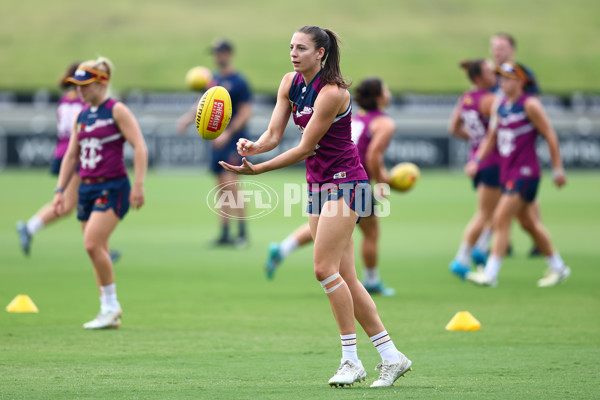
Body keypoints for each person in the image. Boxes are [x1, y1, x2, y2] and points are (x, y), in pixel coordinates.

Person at [220, 25, 412, 388]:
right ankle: (391, 356)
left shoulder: (333, 92)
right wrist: (253, 147)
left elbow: (305, 147)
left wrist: (258, 170)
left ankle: (351, 360)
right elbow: (275, 135)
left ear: (320, 53)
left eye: (302, 48)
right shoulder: (290, 83)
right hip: (317, 187)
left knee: (323, 269)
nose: (293, 53)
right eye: (291, 46)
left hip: (347, 183)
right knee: (347, 279)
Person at [266, 77, 397, 296]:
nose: (389, 93)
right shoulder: (383, 123)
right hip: (353, 178)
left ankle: (283, 248)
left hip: (326, 175)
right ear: (378, 96)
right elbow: (373, 154)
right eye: (386, 88)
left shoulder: (355, 116)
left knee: (329, 226)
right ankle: (372, 280)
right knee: (371, 232)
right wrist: (384, 182)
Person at [53, 57, 148, 328]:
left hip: (113, 185)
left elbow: (139, 146)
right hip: (87, 187)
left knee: (92, 244)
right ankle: (107, 310)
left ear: (102, 82)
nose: (79, 90)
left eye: (85, 84)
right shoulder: (81, 116)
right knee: (98, 250)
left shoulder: (116, 110)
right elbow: (72, 156)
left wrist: (139, 184)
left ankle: (111, 306)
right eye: (77, 85)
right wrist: (60, 190)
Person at [464, 61, 569, 287]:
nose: (503, 81)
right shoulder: (499, 106)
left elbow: (550, 135)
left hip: (525, 172)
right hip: (507, 172)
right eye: (500, 77)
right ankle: (558, 267)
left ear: (520, 81)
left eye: (508, 78)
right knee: (528, 223)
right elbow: (491, 137)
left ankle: (490, 273)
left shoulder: (530, 105)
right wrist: (477, 161)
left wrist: (558, 168)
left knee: (501, 217)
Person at [15, 63, 122, 262]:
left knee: (82, 201)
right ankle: (30, 227)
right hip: (77, 154)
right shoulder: (85, 103)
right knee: (71, 204)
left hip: (62, 152)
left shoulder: (65, 100)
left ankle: (100, 248)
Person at [177, 39, 252, 248]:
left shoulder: (239, 81)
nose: (217, 57)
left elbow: (245, 112)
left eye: (220, 53)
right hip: (216, 142)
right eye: (215, 53)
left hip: (233, 141)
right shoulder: (213, 79)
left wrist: (227, 134)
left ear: (229, 54)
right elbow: (202, 105)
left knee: (232, 186)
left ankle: (243, 234)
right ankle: (225, 233)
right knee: (221, 187)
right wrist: (186, 119)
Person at [490, 32, 543, 257]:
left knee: (522, 196)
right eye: (494, 47)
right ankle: (506, 242)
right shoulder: (494, 75)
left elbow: (534, 108)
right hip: (500, 144)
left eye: (502, 47)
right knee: (507, 196)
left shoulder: (522, 74)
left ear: (512, 49)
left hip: (519, 145)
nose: (497, 51)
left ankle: (537, 244)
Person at [448, 59, 500, 278]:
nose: (495, 74)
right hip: (493, 161)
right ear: (479, 77)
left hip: (477, 159)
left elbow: (453, 128)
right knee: (486, 213)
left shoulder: (467, 98)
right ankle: (463, 258)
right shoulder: (491, 100)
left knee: (496, 212)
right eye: (490, 71)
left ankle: (480, 249)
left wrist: (476, 142)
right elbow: (497, 133)